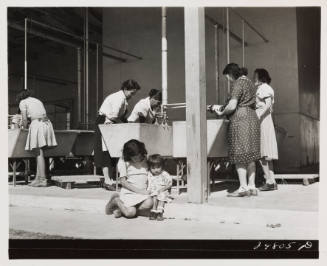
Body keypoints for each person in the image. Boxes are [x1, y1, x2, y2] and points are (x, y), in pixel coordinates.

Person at [212, 63, 261, 197]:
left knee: (239, 154)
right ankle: (252, 187)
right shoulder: (250, 83)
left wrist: (221, 112)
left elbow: (232, 106)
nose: (228, 80)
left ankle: (243, 188)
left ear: (231, 74)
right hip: (252, 117)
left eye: (227, 77)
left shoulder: (238, 84)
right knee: (251, 155)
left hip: (241, 118)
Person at [94, 79, 141, 190]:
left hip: (111, 123)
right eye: (131, 93)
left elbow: (119, 117)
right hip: (105, 123)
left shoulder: (123, 99)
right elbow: (113, 116)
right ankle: (107, 181)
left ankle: (110, 179)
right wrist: (124, 125)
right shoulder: (118, 98)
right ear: (125, 89)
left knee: (113, 152)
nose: (132, 96)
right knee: (106, 152)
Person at [17, 89, 57, 187]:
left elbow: (25, 120)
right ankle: (37, 178)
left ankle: (43, 179)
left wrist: (22, 126)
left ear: (20, 96)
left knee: (38, 152)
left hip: (38, 124)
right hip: (47, 123)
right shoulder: (37, 100)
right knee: (39, 152)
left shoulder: (23, 102)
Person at [105, 139, 153, 218]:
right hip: (129, 193)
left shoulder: (145, 159)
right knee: (130, 213)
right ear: (128, 156)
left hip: (142, 193)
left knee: (150, 203)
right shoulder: (123, 161)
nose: (137, 159)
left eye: (139, 156)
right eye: (134, 158)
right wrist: (140, 191)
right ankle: (116, 201)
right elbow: (123, 182)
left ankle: (121, 210)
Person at [254, 68, 278, 191]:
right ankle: (272, 181)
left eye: (256, 76)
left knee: (263, 152)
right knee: (267, 153)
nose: (254, 78)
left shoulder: (264, 88)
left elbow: (267, 104)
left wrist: (259, 115)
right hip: (265, 120)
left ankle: (269, 181)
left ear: (261, 77)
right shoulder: (265, 88)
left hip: (263, 120)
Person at [147, 154, 172, 221]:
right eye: (153, 168)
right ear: (149, 168)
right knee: (154, 196)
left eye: (158, 167)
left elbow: (169, 184)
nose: (156, 170)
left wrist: (163, 189)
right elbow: (148, 182)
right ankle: (154, 210)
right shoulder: (149, 174)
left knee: (161, 196)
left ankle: (160, 212)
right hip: (153, 191)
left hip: (162, 190)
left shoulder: (164, 174)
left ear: (162, 166)